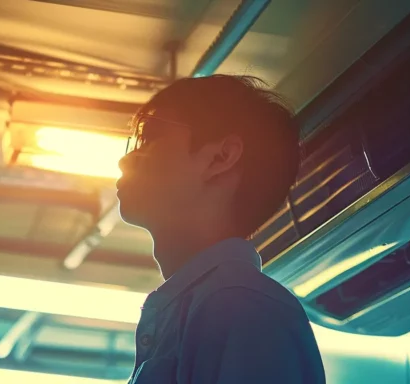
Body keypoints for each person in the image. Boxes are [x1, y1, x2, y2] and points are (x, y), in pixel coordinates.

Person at [116, 74, 326, 384]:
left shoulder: (242, 310)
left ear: (220, 158)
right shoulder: (214, 306)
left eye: (149, 139)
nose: (125, 160)